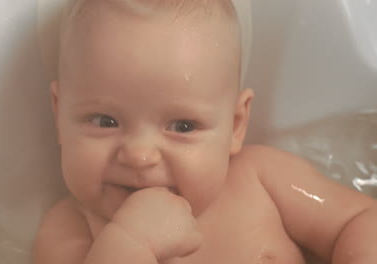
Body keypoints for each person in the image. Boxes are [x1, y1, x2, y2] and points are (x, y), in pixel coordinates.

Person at [33, 0, 377, 263]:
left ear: (236, 125)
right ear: (59, 114)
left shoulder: (262, 180)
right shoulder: (70, 232)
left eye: (182, 126)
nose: (139, 154)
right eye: (105, 121)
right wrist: (130, 244)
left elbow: (360, 219)